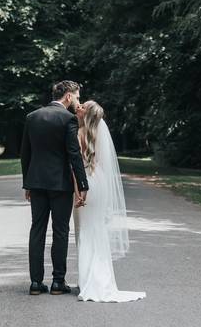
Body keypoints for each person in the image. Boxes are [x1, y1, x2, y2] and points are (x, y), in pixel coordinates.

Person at [20, 80, 88, 295]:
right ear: (68, 96)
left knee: (37, 230)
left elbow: (25, 154)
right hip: (60, 184)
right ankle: (58, 282)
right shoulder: (68, 119)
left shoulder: (32, 117)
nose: (77, 101)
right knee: (60, 231)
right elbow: (74, 154)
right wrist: (82, 184)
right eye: (76, 97)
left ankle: (35, 283)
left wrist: (27, 183)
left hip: (37, 182)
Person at [73, 100, 145, 302]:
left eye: (82, 106)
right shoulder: (97, 135)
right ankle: (101, 278)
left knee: (86, 230)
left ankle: (89, 280)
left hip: (86, 183)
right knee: (97, 229)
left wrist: (78, 190)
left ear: (86, 115)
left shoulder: (79, 135)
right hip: (100, 183)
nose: (78, 107)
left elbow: (75, 167)